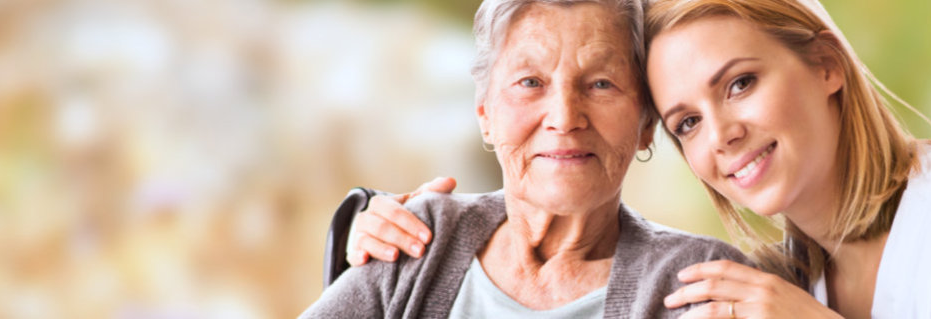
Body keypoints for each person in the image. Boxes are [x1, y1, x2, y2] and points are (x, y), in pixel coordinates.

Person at [348, 0, 931, 317]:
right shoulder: (784, 278)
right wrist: (363, 236)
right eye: (687, 120)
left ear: (826, 65)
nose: (721, 135)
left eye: (739, 83)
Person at [299, 0, 747, 317]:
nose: (565, 118)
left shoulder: (699, 282)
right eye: (531, 82)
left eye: (601, 84)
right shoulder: (422, 236)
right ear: (485, 115)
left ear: (646, 123)